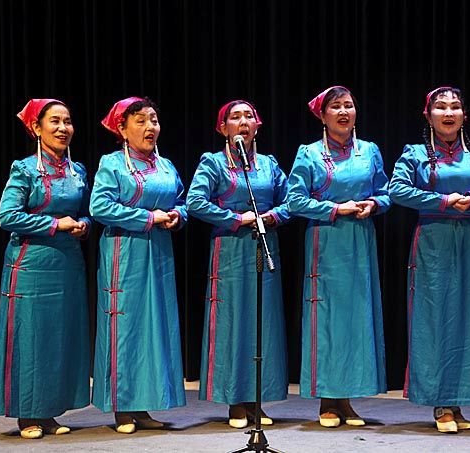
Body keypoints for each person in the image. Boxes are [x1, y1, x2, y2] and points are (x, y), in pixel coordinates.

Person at [389, 87, 470, 433]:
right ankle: (440, 403)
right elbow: (397, 190)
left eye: (455, 107)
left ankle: (458, 402)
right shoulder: (415, 153)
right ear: (428, 116)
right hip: (433, 241)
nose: (448, 113)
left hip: (468, 239)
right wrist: (442, 201)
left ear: (464, 116)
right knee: (435, 319)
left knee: (467, 319)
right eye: (441, 107)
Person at [286, 86, 390, 428]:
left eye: (348, 105)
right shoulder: (309, 153)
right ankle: (327, 400)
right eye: (335, 107)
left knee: (356, 318)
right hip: (327, 241)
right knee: (328, 318)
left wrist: (373, 204)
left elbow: (386, 192)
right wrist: (335, 208)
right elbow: (295, 200)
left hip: (360, 240)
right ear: (323, 115)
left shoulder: (369, 150)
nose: (343, 112)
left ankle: (346, 399)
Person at [0, 99, 91, 438]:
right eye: (55, 121)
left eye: (68, 121)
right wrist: (55, 224)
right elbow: (7, 216)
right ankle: (27, 414)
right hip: (31, 265)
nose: (63, 128)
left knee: (59, 338)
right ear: (37, 128)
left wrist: (84, 225)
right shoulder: (25, 169)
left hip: (67, 265)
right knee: (32, 338)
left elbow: (87, 212)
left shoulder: (77, 170)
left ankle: (49, 412)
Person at [186, 100, 291, 428]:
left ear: (257, 126)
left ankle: (257, 400)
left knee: (262, 322)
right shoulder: (213, 163)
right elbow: (195, 202)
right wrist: (235, 218)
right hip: (230, 250)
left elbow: (291, 200)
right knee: (234, 322)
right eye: (235, 117)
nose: (243, 122)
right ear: (223, 128)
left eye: (249, 116)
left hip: (264, 245)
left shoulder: (269, 164)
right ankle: (235, 399)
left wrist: (272, 216)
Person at [90, 96, 187, 434]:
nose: (150, 127)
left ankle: (143, 405)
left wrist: (177, 216)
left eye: (154, 120)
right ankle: (122, 405)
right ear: (122, 128)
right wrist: (148, 217)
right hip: (125, 253)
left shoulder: (166, 165)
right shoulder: (113, 164)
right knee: (126, 328)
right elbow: (100, 206)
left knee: (153, 328)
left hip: (158, 253)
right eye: (141, 121)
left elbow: (182, 200)